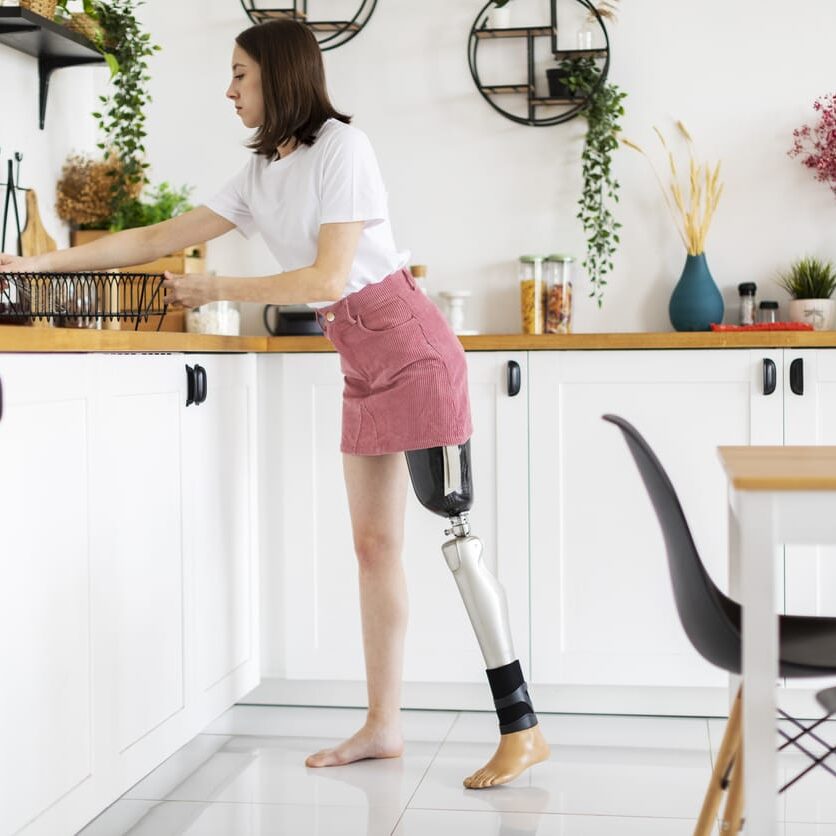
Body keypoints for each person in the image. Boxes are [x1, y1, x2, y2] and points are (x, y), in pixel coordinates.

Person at [0, 18, 549, 788]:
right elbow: (159, 233)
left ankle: (520, 726)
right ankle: (383, 727)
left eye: (239, 75)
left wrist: (217, 285)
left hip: (414, 351)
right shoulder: (262, 175)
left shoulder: (343, 152)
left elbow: (328, 278)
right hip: (360, 358)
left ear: (279, 76)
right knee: (373, 549)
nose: (228, 90)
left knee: (455, 533)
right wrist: (41, 262)